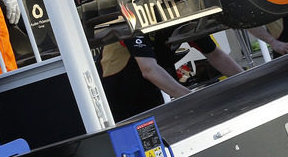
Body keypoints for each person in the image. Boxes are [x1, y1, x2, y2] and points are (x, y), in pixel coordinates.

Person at [100, 30, 242, 121]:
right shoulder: (131, 19)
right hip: (116, 100)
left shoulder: (184, 18)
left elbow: (215, 54)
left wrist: (247, 80)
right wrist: (197, 100)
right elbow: (149, 70)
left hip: (150, 95)